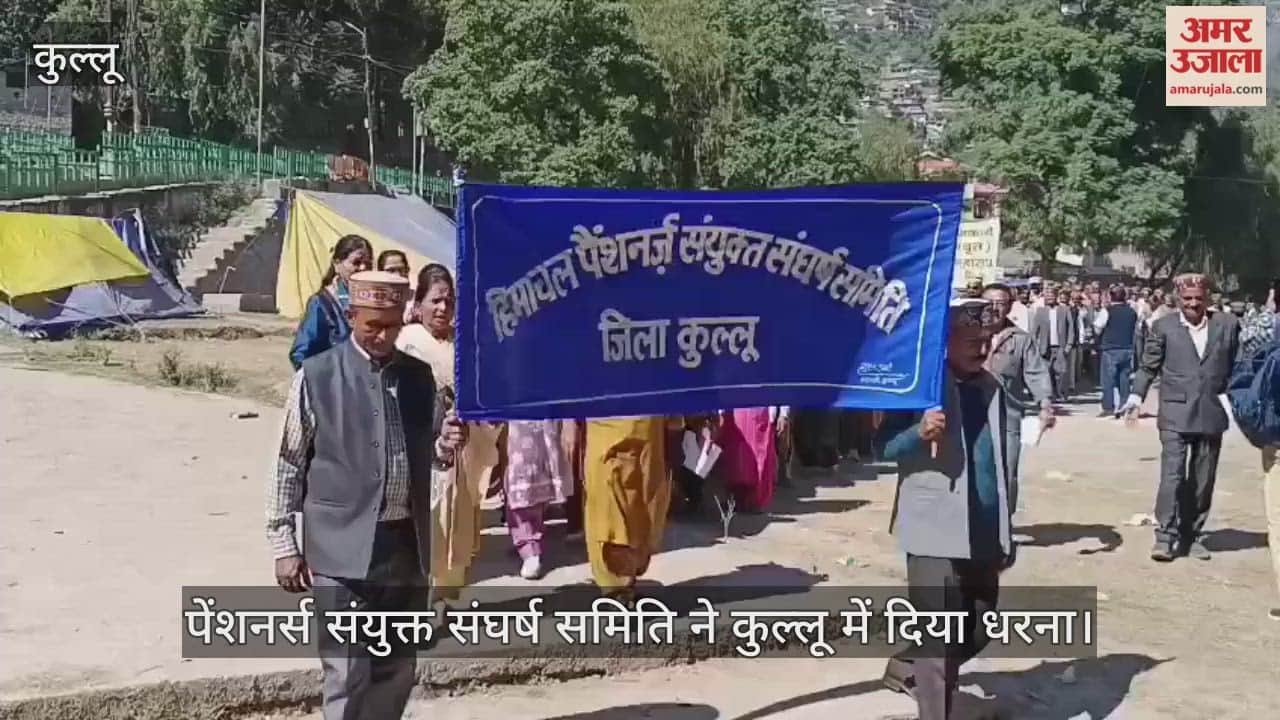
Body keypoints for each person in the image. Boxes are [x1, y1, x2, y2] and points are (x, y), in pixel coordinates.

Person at [266, 270, 468, 720]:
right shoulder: (316, 377)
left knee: (397, 667)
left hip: (404, 546)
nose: (381, 335)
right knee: (346, 669)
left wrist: (445, 445)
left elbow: (431, 455)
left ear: (404, 318)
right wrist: (284, 544)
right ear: (352, 316)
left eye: (391, 325)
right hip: (339, 549)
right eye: (370, 325)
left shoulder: (418, 377)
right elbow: (288, 463)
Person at [878, 298, 1016, 720]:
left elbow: (1004, 463)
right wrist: (918, 432)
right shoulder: (919, 387)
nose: (981, 348)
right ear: (946, 342)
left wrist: (1006, 529)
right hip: (932, 528)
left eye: (986, 340)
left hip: (983, 528)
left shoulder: (993, 388)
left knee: (977, 626)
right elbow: (883, 448)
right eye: (972, 340)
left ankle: (904, 666)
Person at [395, 264, 501, 605]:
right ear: (419, 302)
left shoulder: (463, 344)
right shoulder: (407, 343)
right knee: (428, 527)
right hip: (423, 453)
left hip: (464, 451)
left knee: (460, 525)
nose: (443, 308)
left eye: (449, 301)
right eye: (436, 300)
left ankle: (448, 599)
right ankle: (418, 606)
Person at [1122, 273, 1240, 562]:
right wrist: (1135, 398)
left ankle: (1194, 535)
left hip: (1211, 412)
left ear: (1208, 299)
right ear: (1177, 300)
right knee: (1172, 475)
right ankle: (1166, 536)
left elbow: (1239, 366)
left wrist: (1240, 402)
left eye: (1199, 299)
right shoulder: (1163, 326)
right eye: (1187, 299)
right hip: (1175, 412)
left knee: (1203, 478)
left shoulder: (1227, 325)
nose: (1193, 304)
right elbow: (1148, 366)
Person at [583, 416, 684, 601]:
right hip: (605, 419)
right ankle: (614, 590)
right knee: (610, 504)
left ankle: (627, 584)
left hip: (647, 419)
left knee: (643, 504)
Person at [982, 283, 1054, 503]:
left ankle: (1005, 525)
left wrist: (1045, 404)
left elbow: (1036, 372)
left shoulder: (1020, 339)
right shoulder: (965, 336)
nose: (994, 308)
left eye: (1001, 303)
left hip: (1008, 414)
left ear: (1010, 307)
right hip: (971, 415)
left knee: (1006, 469)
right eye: (989, 303)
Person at [289, 234, 372, 369]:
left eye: (368, 264)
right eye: (356, 262)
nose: (363, 268)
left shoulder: (375, 301)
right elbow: (301, 353)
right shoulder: (322, 303)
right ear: (337, 264)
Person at [503, 420, 572, 579]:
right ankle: (528, 546)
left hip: (544, 411)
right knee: (519, 474)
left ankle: (530, 536)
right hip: (514, 412)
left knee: (541, 468)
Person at [715, 407, 791, 513]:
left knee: (759, 458)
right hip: (734, 412)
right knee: (735, 457)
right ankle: (737, 499)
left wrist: (783, 414)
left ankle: (753, 501)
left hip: (760, 414)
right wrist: (721, 410)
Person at [1091, 286, 1141, 418]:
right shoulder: (1132, 312)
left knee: (1108, 380)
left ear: (1111, 297)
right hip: (1127, 348)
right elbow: (1137, 328)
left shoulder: (1107, 311)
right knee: (1123, 379)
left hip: (1110, 348)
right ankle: (1124, 405)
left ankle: (1108, 407)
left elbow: (1097, 327)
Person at [1030, 285, 1075, 401]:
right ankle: (1051, 394)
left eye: (1052, 296)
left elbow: (1071, 328)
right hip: (1045, 347)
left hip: (1061, 346)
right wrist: (1035, 347)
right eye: (1047, 296)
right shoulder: (1040, 311)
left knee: (1061, 372)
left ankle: (1061, 393)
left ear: (1056, 297)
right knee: (1047, 373)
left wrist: (1068, 345)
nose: (1050, 298)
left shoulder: (1065, 310)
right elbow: (1034, 331)